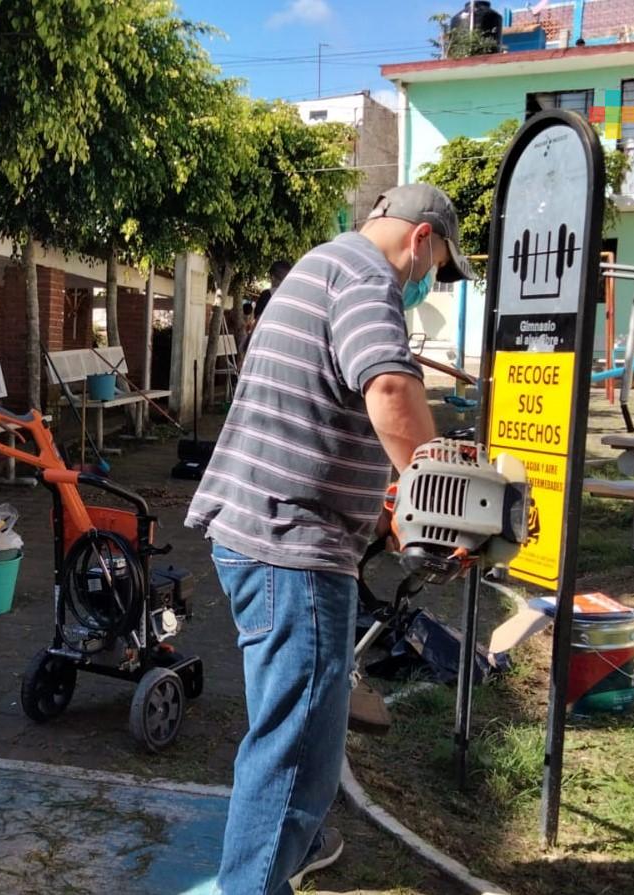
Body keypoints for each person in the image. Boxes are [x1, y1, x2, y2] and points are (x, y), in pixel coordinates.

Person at [185, 183, 473, 894]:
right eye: (438, 264)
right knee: (297, 747)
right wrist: (448, 501)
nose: (430, 280)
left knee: (290, 721)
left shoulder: (321, 265)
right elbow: (390, 391)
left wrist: (379, 499)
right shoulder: (370, 280)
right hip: (293, 544)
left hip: (258, 528)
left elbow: (320, 406)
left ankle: (297, 845)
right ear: (421, 239)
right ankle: (254, 882)